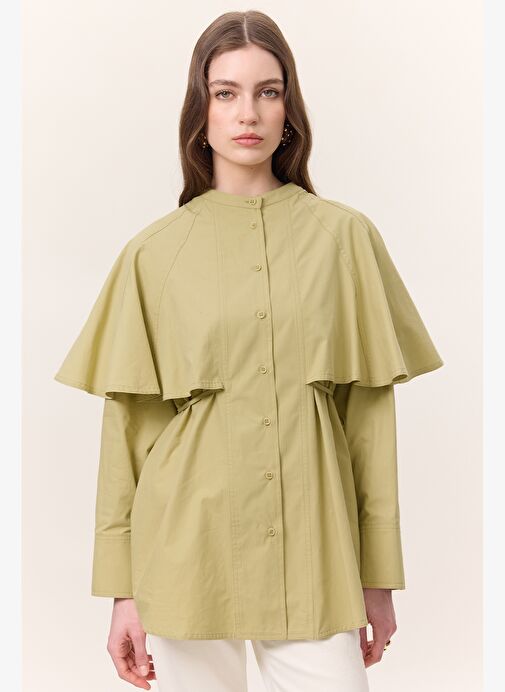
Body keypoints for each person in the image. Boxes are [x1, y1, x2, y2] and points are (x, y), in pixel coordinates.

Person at [54, 9, 444, 692]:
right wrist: (124, 592)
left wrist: (377, 577)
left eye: (268, 91)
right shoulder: (152, 254)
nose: (248, 113)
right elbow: (129, 433)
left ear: (289, 108)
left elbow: (368, 423)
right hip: (185, 555)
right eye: (225, 92)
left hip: (315, 556)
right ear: (199, 110)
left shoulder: (344, 240)